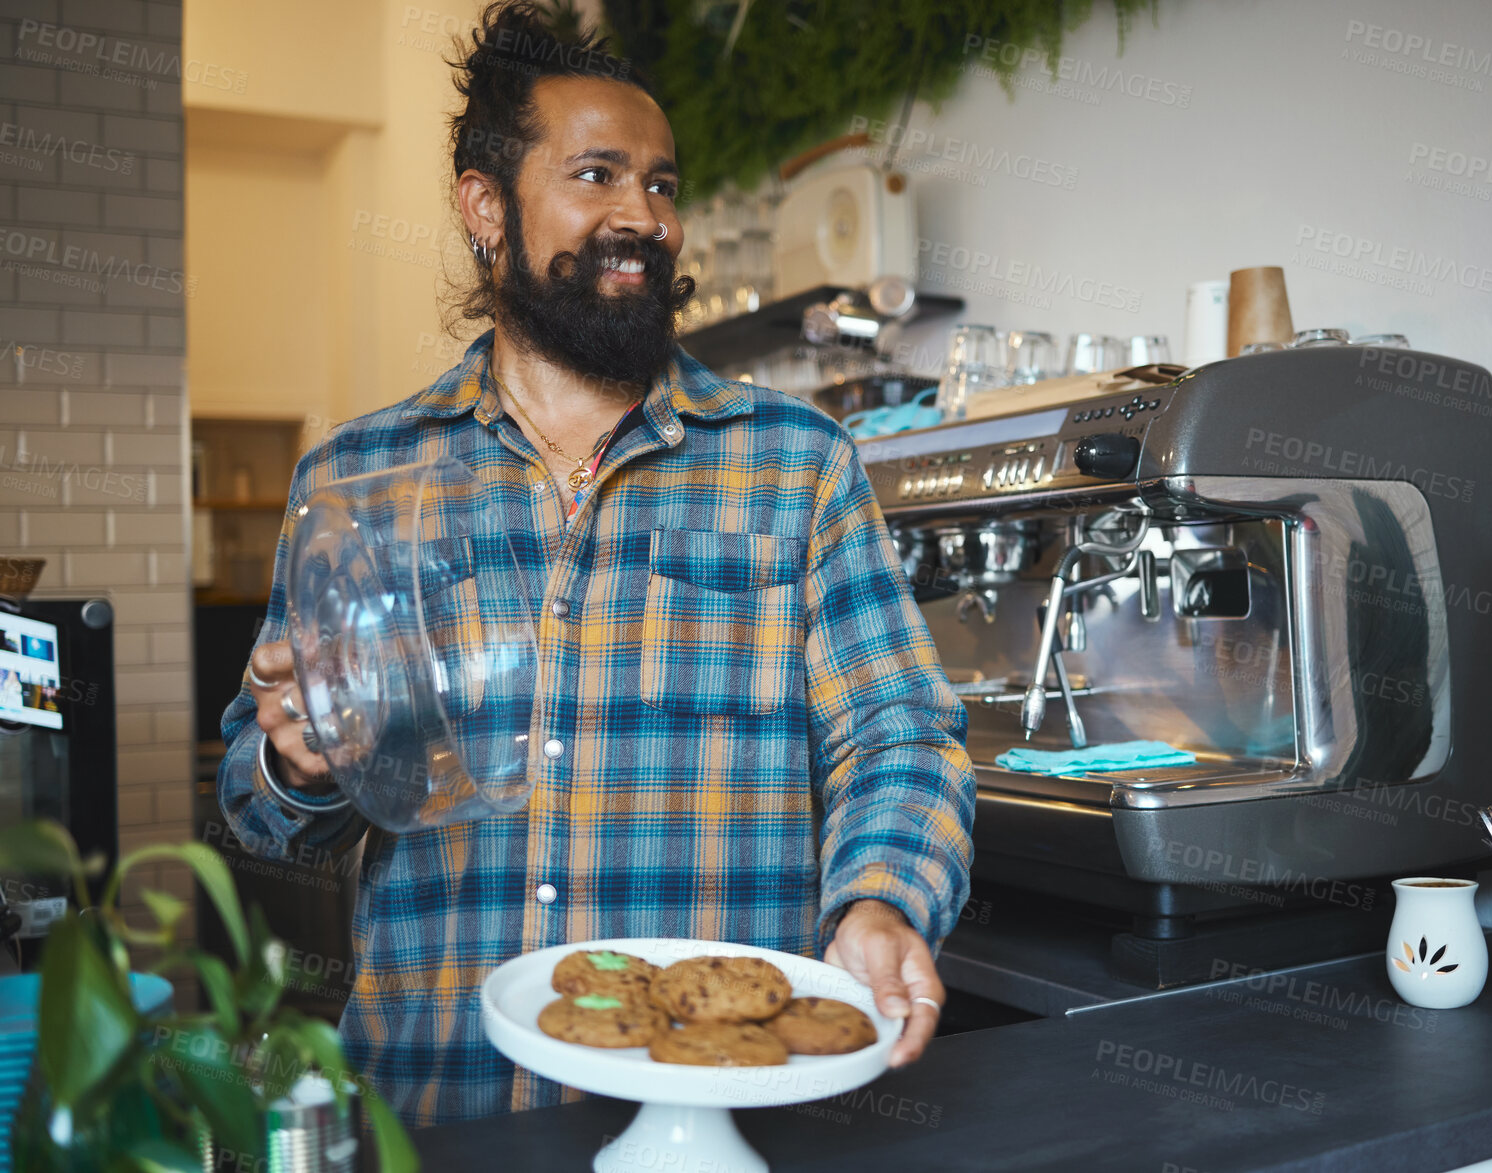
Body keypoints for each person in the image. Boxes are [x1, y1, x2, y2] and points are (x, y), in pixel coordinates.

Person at [218, 1, 975, 1128]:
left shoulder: (795, 465)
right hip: (436, 1100)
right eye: (596, 176)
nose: (642, 215)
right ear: (487, 209)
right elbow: (258, 804)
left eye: (660, 184)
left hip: (715, 1105)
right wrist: (301, 768)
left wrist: (880, 898)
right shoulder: (358, 476)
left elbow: (898, 733)